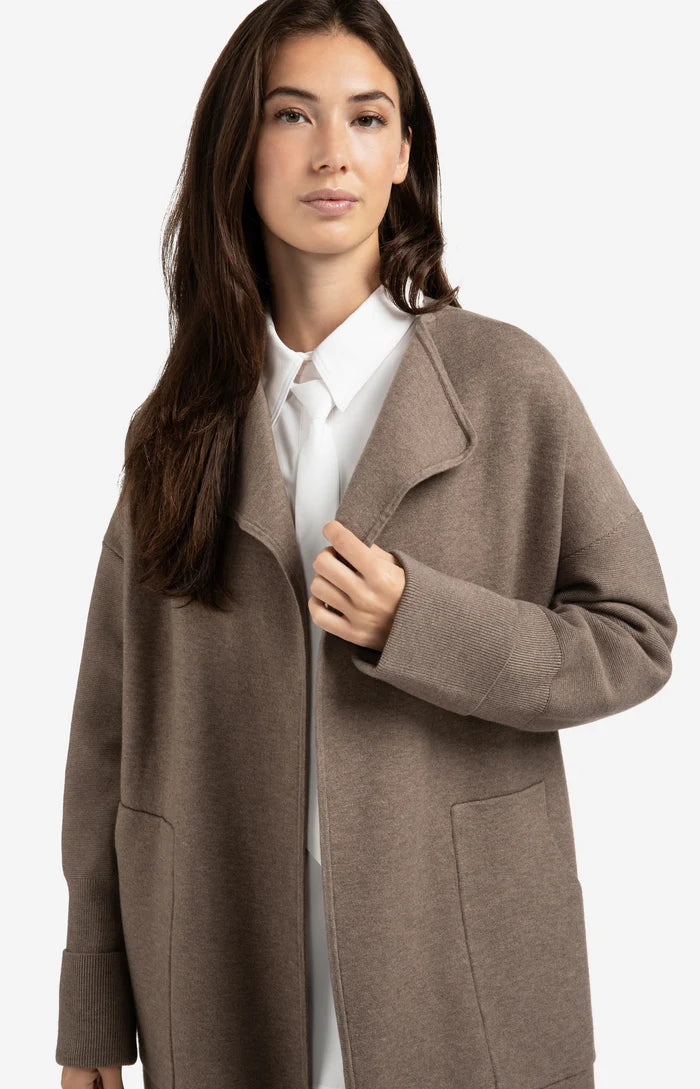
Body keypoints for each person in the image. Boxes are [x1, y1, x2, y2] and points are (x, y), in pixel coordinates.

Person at [55, 2, 678, 1088]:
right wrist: (92, 1005)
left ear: (403, 154)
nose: (332, 152)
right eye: (292, 114)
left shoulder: (506, 385)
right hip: (218, 958)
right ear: (239, 146)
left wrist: (418, 622)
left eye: (367, 117)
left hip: (456, 962)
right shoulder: (178, 428)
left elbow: (635, 635)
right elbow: (109, 736)